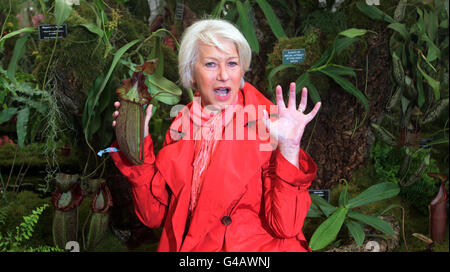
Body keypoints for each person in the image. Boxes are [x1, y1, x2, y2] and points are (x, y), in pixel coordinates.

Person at [111, 19, 321, 252]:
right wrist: (137, 148)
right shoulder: (183, 124)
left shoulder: (267, 125)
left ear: (242, 69)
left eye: (232, 63)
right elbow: (154, 217)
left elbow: (286, 227)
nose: (223, 74)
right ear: (191, 72)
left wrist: (289, 148)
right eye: (211, 64)